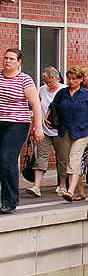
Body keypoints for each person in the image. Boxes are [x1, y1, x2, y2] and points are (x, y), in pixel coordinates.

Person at [0, 48, 44, 213]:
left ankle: (9, 201)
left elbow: (36, 105)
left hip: (17, 124)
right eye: (5, 58)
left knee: (7, 159)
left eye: (11, 59)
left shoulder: (24, 80)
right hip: (0, 121)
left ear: (19, 62)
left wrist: (38, 128)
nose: (7, 61)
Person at [51, 66, 88, 202]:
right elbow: (53, 107)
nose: (71, 81)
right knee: (67, 161)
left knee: (74, 159)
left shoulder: (87, 95)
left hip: (83, 131)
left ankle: (70, 191)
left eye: (74, 79)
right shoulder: (62, 93)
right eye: (69, 78)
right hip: (65, 130)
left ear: (80, 79)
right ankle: (81, 192)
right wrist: (47, 119)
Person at [28, 67, 67, 197]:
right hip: (44, 131)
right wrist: (33, 128)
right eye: (46, 82)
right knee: (41, 157)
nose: (49, 85)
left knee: (62, 159)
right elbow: (36, 109)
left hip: (60, 131)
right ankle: (36, 185)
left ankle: (62, 185)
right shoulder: (41, 90)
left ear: (57, 78)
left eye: (51, 82)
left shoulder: (64, 90)